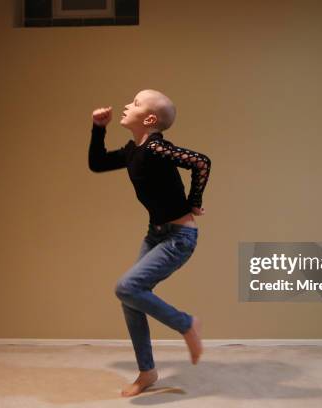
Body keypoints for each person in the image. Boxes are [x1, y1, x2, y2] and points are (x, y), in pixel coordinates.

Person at [88, 89, 212, 397]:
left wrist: (194, 201)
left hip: (178, 238)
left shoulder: (158, 148)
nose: (127, 105)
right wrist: (98, 129)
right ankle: (148, 372)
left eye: (135, 103)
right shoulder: (134, 150)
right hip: (156, 234)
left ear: (150, 119)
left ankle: (187, 324)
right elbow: (98, 163)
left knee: (127, 288)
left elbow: (201, 162)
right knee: (130, 298)